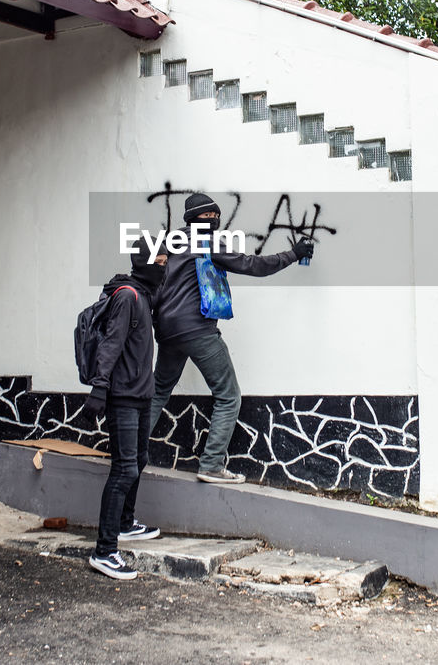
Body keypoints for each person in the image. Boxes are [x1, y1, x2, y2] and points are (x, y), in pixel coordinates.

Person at [150, 193, 314, 483]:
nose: (215, 221)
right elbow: (253, 265)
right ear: (205, 218)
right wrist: (294, 253)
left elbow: (152, 281)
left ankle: (128, 451)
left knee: (159, 391)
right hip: (197, 329)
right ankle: (211, 465)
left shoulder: (169, 242)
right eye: (213, 216)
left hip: (166, 330)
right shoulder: (206, 240)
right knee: (228, 396)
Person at [83, 242, 168, 581]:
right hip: (122, 397)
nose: (163, 268)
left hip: (141, 394)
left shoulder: (145, 296)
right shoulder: (127, 297)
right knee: (124, 470)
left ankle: (125, 523)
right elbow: (111, 344)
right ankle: (104, 551)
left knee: (140, 460)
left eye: (166, 261)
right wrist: (99, 388)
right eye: (158, 262)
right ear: (144, 263)